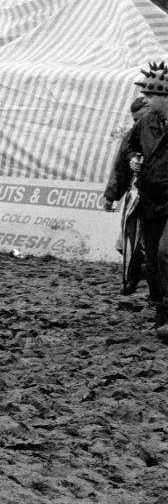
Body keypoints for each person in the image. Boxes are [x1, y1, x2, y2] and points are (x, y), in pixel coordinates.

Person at [103, 62, 168, 334]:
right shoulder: (144, 124)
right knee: (151, 259)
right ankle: (162, 312)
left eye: (151, 96)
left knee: (166, 252)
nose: (146, 100)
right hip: (150, 201)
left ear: (164, 97)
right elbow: (126, 151)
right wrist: (132, 162)